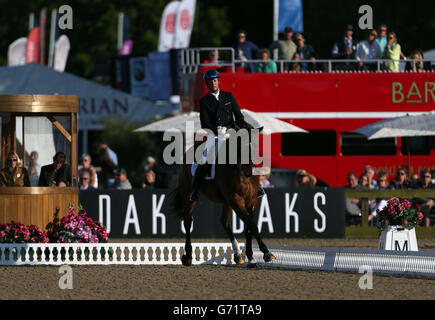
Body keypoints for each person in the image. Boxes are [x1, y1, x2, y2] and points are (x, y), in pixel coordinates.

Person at [190, 69, 261, 202]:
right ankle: (195, 188)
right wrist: (217, 129)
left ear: (219, 81)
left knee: (246, 150)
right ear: (207, 84)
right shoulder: (204, 101)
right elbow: (204, 123)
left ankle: (257, 186)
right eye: (210, 82)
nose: (213, 83)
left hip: (231, 133)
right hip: (215, 135)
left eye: (215, 81)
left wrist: (250, 128)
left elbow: (239, 118)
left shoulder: (229, 96)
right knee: (205, 159)